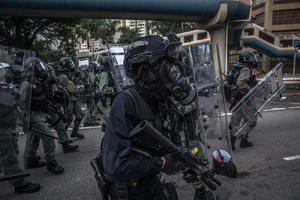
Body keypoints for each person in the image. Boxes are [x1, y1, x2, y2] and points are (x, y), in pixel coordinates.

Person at [100, 35, 200, 200]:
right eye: (169, 68)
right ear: (146, 71)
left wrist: (183, 157)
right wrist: (161, 162)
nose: (174, 74)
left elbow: (170, 134)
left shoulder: (163, 100)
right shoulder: (126, 101)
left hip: (150, 180)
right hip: (130, 190)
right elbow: (114, 168)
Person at [0, 65, 40, 193]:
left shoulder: (3, 87)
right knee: (9, 155)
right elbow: (9, 103)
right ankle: (19, 183)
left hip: (5, 125)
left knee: (10, 150)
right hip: (2, 127)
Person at [20, 57, 64, 174]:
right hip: (32, 116)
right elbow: (21, 104)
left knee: (34, 137)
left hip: (40, 114)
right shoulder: (26, 84)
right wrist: (25, 120)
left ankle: (30, 159)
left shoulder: (39, 82)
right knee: (48, 136)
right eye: (39, 66)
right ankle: (51, 162)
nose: (41, 69)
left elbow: (46, 97)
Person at [226, 51, 259, 151]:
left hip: (236, 99)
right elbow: (241, 83)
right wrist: (250, 91)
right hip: (245, 99)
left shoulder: (237, 68)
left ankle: (239, 141)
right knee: (252, 121)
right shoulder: (245, 69)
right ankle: (239, 136)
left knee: (236, 121)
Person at [45, 64, 79, 153]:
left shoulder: (47, 84)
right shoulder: (36, 85)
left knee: (60, 124)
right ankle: (31, 156)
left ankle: (65, 145)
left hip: (50, 107)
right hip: (41, 110)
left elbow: (53, 95)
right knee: (39, 135)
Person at [57, 57, 85, 139]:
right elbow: (73, 89)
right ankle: (62, 138)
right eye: (69, 64)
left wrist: (75, 78)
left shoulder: (65, 75)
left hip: (72, 99)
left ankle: (74, 132)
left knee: (80, 115)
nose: (71, 66)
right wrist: (83, 87)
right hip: (67, 100)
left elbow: (70, 85)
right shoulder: (62, 76)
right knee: (68, 120)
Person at [94, 56, 116, 131]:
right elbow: (103, 89)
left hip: (104, 99)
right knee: (111, 117)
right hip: (103, 99)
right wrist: (114, 90)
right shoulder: (104, 74)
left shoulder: (104, 72)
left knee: (107, 119)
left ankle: (106, 130)